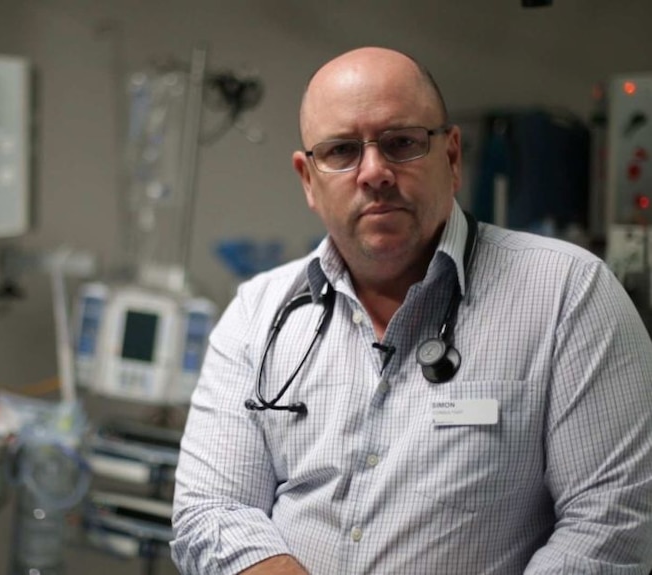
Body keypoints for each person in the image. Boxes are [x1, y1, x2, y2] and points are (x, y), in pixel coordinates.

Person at [170, 46, 652, 574]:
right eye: (341, 151)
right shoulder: (257, 313)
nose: (374, 172)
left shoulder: (569, 294)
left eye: (400, 143)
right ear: (309, 179)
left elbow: (611, 526)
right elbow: (211, 509)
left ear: (451, 156)